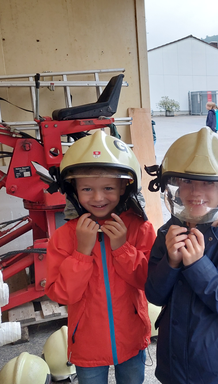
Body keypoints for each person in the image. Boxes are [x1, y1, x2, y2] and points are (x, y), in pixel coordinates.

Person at [144, 126, 218, 384]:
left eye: (208, 183)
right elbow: (154, 294)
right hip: (173, 363)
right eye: (186, 181)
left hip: (216, 365)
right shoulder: (168, 232)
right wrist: (170, 262)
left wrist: (198, 266)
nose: (195, 191)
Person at [45, 130, 156, 384]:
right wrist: (81, 253)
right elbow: (61, 294)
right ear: (73, 190)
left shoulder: (140, 229)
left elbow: (148, 282)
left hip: (131, 340)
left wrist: (122, 247)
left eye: (108, 188)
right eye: (87, 189)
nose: (97, 198)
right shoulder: (64, 237)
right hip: (86, 346)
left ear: (124, 187)